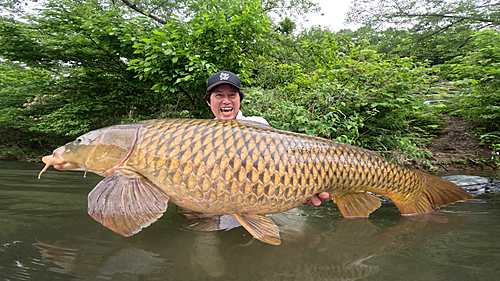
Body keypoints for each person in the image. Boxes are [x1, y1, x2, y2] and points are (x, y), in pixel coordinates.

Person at [205, 70, 329, 206]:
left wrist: (305, 184)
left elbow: (286, 161)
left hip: (263, 204)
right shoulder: (201, 137)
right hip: (220, 209)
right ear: (208, 101)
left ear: (239, 99)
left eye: (232, 95)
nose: (226, 101)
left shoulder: (260, 126)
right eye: (219, 95)